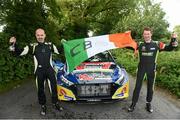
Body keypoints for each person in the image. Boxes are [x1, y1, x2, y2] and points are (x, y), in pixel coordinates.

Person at [9, 28, 63, 116]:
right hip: (39, 71)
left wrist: (64, 44)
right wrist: (12, 44)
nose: (40, 37)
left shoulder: (50, 45)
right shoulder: (32, 46)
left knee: (54, 88)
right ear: (36, 36)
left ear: (45, 35)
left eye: (42, 35)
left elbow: (60, 50)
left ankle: (55, 103)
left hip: (50, 70)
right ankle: (43, 105)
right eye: (38, 35)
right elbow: (18, 52)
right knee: (40, 90)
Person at [128, 27, 178, 113]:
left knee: (150, 88)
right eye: (145, 34)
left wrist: (173, 39)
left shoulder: (157, 44)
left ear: (151, 34)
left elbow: (170, 48)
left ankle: (148, 103)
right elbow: (128, 45)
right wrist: (126, 36)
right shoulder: (139, 44)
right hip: (141, 69)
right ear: (143, 35)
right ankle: (133, 103)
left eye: (148, 34)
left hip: (152, 70)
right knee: (137, 87)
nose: (146, 35)